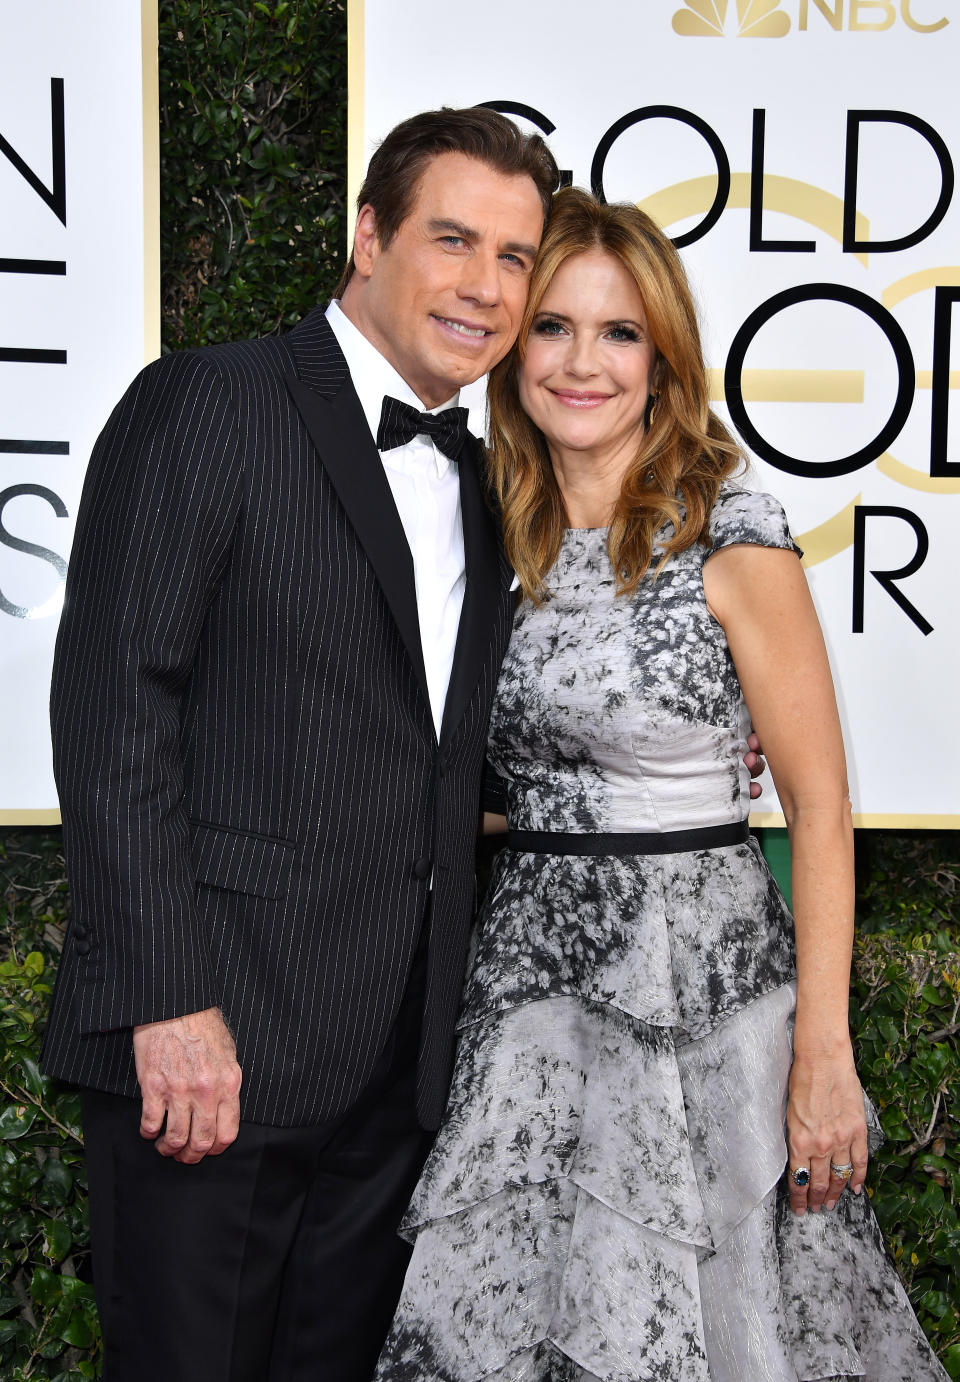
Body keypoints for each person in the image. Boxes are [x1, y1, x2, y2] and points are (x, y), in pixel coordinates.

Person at [374, 188, 948, 1381]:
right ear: (515, 345)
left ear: (663, 359)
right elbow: (495, 776)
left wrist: (824, 1054)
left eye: (620, 333)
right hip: (529, 985)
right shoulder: (491, 531)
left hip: (702, 991)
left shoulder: (728, 534)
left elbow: (822, 806)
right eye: (554, 327)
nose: (583, 362)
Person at [40, 107, 556, 1382]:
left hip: (395, 1064)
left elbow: (434, 750)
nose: (486, 288)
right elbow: (114, 714)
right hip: (212, 1039)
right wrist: (169, 999)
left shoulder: (494, 482)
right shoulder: (211, 403)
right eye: (454, 240)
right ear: (368, 236)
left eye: (515, 257)